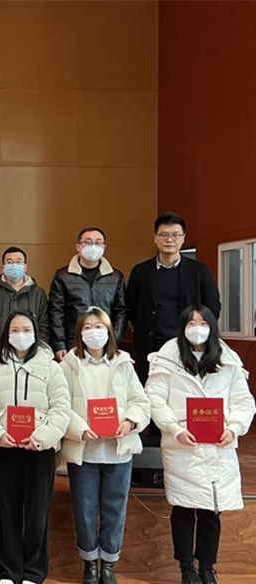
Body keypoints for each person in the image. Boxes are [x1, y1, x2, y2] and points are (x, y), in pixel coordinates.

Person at [145, 306, 254, 584]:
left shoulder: (228, 360)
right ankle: (186, 568)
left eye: (203, 322)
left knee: (211, 511)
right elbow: (154, 399)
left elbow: (243, 401)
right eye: (191, 323)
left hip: (218, 446)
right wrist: (175, 429)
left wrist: (234, 428)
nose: (197, 328)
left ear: (212, 326)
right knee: (183, 509)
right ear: (182, 327)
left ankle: (207, 567)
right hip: (183, 445)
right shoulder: (167, 358)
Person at [59, 307, 150, 584]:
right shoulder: (68, 365)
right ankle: (89, 563)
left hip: (117, 450)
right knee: (84, 509)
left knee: (114, 509)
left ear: (109, 331)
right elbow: (60, 404)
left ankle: (108, 563)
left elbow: (140, 402)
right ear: (79, 333)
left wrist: (130, 422)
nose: (93, 332)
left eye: (99, 326)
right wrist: (79, 428)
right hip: (84, 450)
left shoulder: (123, 362)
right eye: (87, 327)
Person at [0, 310, 70, 584]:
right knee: (7, 510)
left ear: (35, 333)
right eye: (14, 330)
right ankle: (9, 572)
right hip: (6, 448)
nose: (20, 335)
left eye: (26, 330)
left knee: (38, 512)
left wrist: (42, 438)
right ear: (6, 333)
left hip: (40, 450)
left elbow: (61, 407)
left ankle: (34, 572)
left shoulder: (51, 367)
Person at [127, 212, 221, 380]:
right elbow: (131, 307)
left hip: (189, 344)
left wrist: (198, 331)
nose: (169, 240)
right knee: (151, 388)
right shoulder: (140, 272)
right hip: (151, 345)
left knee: (189, 388)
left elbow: (212, 307)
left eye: (175, 235)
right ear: (155, 238)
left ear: (183, 238)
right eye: (164, 235)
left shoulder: (199, 271)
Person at [49, 228, 128, 362]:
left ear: (104, 247)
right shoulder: (62, 276)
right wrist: (59, 344)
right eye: (88, 242)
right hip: (73, 343)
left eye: (98, 243)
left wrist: (113, 340)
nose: (93, 246)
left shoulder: (115, 277)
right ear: (78, 247)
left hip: (106, 343)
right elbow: (56, 311)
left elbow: (121, 311)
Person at [0, 247, 51, 364]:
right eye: (9, 262)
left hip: (32, 359)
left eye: (18, 262)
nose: (14, 265)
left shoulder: (38, 293)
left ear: (25, 267)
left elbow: (44, 327)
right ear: (3, 267)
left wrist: (36, 355)